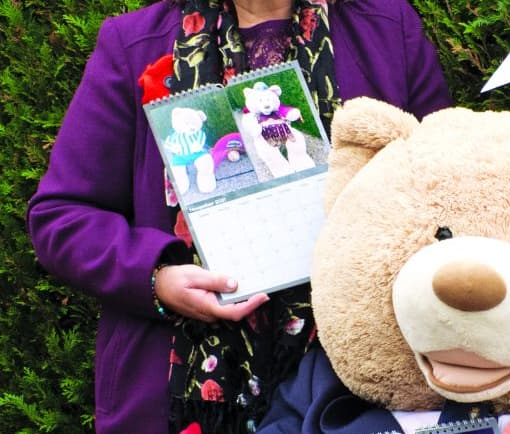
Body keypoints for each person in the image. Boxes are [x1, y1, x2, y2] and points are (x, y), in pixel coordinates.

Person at [26, 0, 452, 433]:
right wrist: (157, 278)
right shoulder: (134, 43)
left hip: (351, 392)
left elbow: (447, 189)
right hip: (177, 387)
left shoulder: (386, 28)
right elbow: (61, 216)